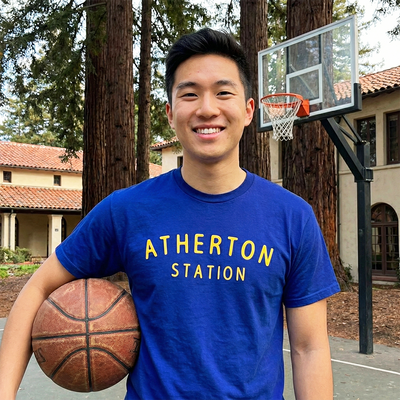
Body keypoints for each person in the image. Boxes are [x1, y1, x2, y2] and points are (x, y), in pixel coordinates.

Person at [0, 28, 340, 400]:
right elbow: (38, 287)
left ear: (248, 110)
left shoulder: (293, 217)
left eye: (223, 92)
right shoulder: (127, 210)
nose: (207, 108)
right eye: (189, 94)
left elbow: (309, 348)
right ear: (170, 112)